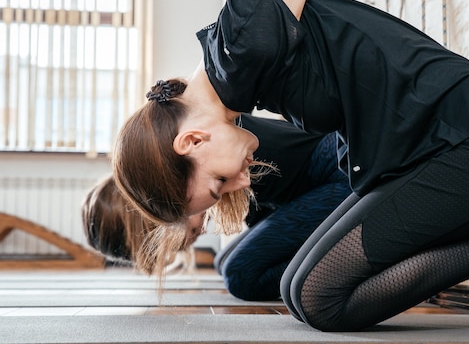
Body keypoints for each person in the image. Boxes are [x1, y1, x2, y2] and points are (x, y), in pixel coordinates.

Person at [112, 0, 469, 334]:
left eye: (218, 183)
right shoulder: (238, 71)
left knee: (319, 298)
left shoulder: (242, 42)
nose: (240, 183)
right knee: (298, 292)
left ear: (192, 140)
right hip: (441, 154)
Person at [84, 114, 352, 300]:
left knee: (240, 274)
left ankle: (359, 256)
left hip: (341, 170)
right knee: (224, 262)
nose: (185, 246)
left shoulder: (209, 158)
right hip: (321, 182)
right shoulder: (210, 179)